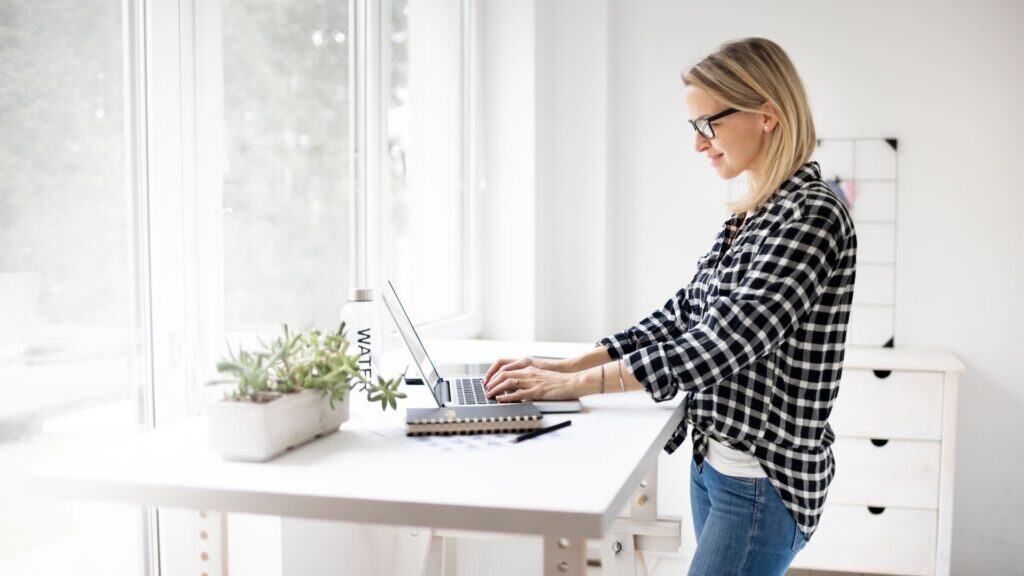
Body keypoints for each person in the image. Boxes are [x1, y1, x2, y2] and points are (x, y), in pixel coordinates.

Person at [483, 37, 857, 576]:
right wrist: (569, 366)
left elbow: (722, 344)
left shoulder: (810, 216)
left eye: (710, 124)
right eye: (695, 128)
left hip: (762, 481)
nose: (700, 143)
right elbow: (683, 313)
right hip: (717, 466)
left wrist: (572, 387)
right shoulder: (755, 214)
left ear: (768, 114)